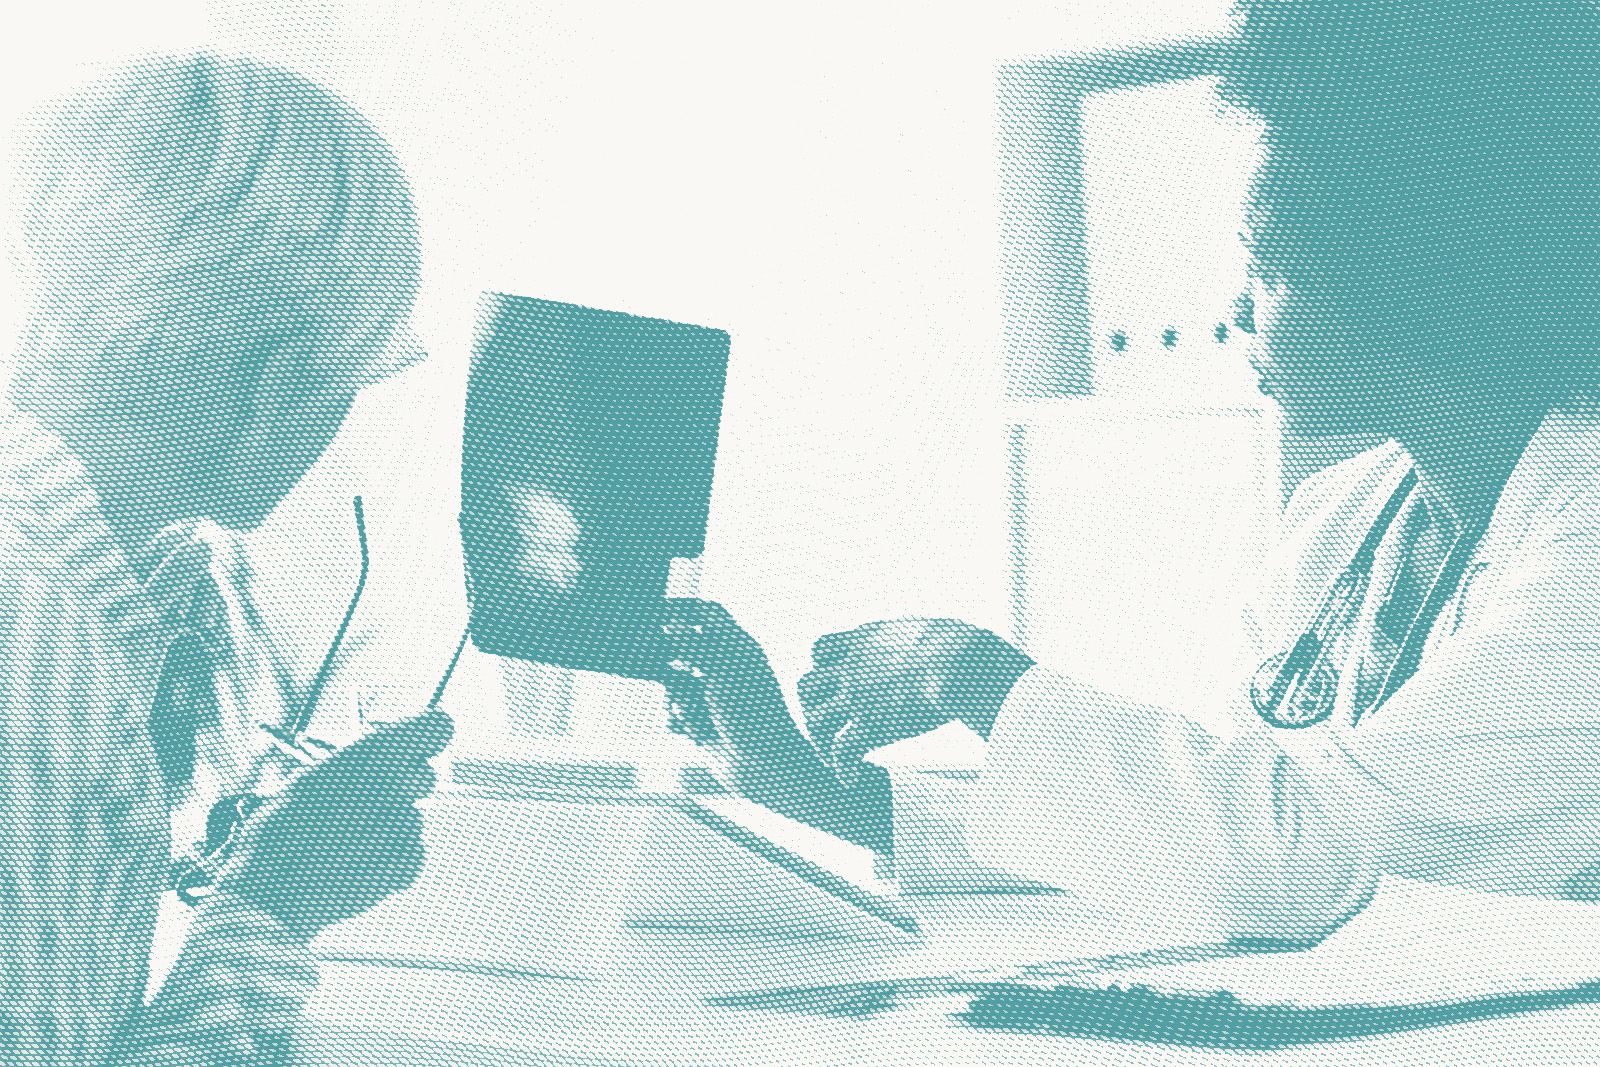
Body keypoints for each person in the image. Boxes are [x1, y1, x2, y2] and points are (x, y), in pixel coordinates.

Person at [664, 0, 1600, 943]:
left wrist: (976, 678)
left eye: (1272, 271)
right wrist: (819, 792)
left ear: (1420, 296)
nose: (1235, 308)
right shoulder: (1340, 518)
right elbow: (1195, 841)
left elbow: (1298, 863)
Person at [3, 52, 450, 1064]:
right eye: (357, 372)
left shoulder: (83, 587)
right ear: (281, 381)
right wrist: (273, 905)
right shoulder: (34, 628)